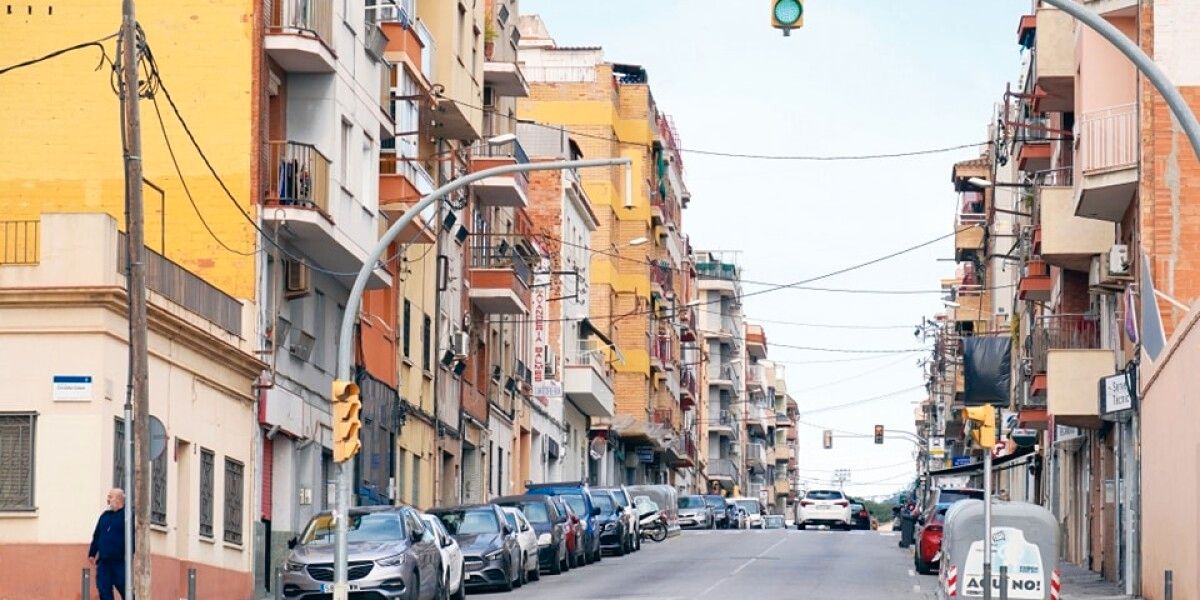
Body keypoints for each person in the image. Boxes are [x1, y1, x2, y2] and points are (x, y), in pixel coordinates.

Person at [88, 488, 128, 600]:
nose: (108, 499)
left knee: (126, 590)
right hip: (104, 562)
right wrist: (92, 553)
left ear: (119, 499)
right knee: (103, 589)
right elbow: (97, 535)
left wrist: (130, 553)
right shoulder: (104, 516)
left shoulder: (127, 516)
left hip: (119, 562)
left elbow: (132, 537)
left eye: (110, 497)